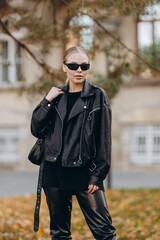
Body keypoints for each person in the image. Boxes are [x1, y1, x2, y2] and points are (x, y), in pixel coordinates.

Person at [31, 46, 116, 240]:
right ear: (64, 67)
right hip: (53, 170)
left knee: (104, 232)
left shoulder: (97, 95)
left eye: (84, 66)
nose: (79, 70)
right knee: (59, 234)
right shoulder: (55, 96)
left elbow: (104, 138)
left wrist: (98, 174)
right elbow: (36, 128)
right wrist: (47, 100)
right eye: (73, 65)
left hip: (85, 171)